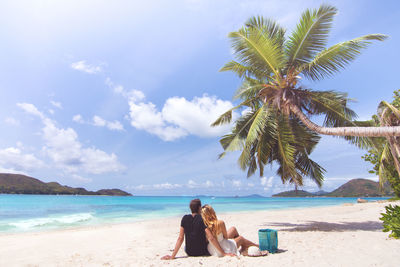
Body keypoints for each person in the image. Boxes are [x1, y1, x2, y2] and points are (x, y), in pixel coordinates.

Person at [161, 199, 235, 260]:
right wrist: (223, 253)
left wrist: (172, 256)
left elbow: (180, 238)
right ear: (199, 208)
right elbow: (211, 238)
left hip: (189, 252)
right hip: (202, 251)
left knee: (185, 246)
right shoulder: (202, 219)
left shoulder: (184, 218)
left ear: (190, 208)